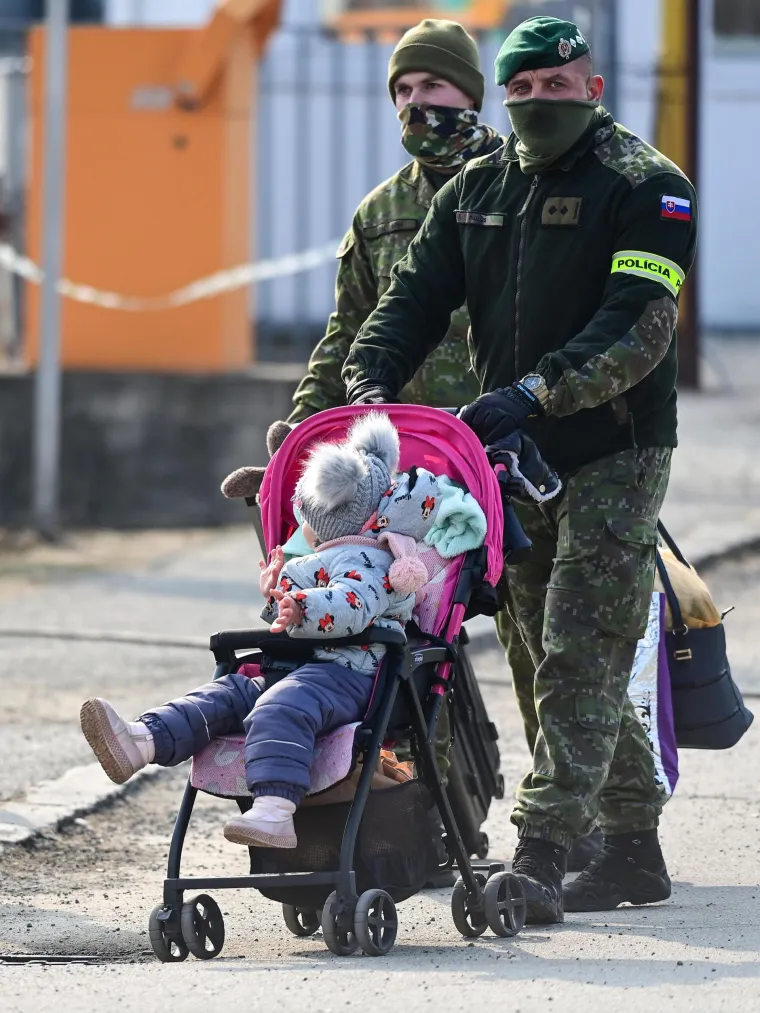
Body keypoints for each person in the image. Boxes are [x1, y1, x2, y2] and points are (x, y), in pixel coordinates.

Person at [342, 15, 698, 924]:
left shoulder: (648, 186)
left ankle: (545, 851)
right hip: (514, 457)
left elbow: (639, 324)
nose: (540, 103)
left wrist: (536, 391)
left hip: (613, 447)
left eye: (557, 86)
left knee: (583, 641)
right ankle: (631, 846)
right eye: (524, 89)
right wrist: (369, 381)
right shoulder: (480, 189)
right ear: (506, 95)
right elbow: (412, 298)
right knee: (541, 644)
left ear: (594, 88)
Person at [79, 414, 426, 849]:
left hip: (352, 673)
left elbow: (350, 609)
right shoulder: (314, 560)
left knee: (279, 706)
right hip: (300, 666)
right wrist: (277, 597)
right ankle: (142, 740)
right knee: (224, 695)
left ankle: (276, 811)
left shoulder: (375, 560)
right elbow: (286, 617)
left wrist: (302, 605)